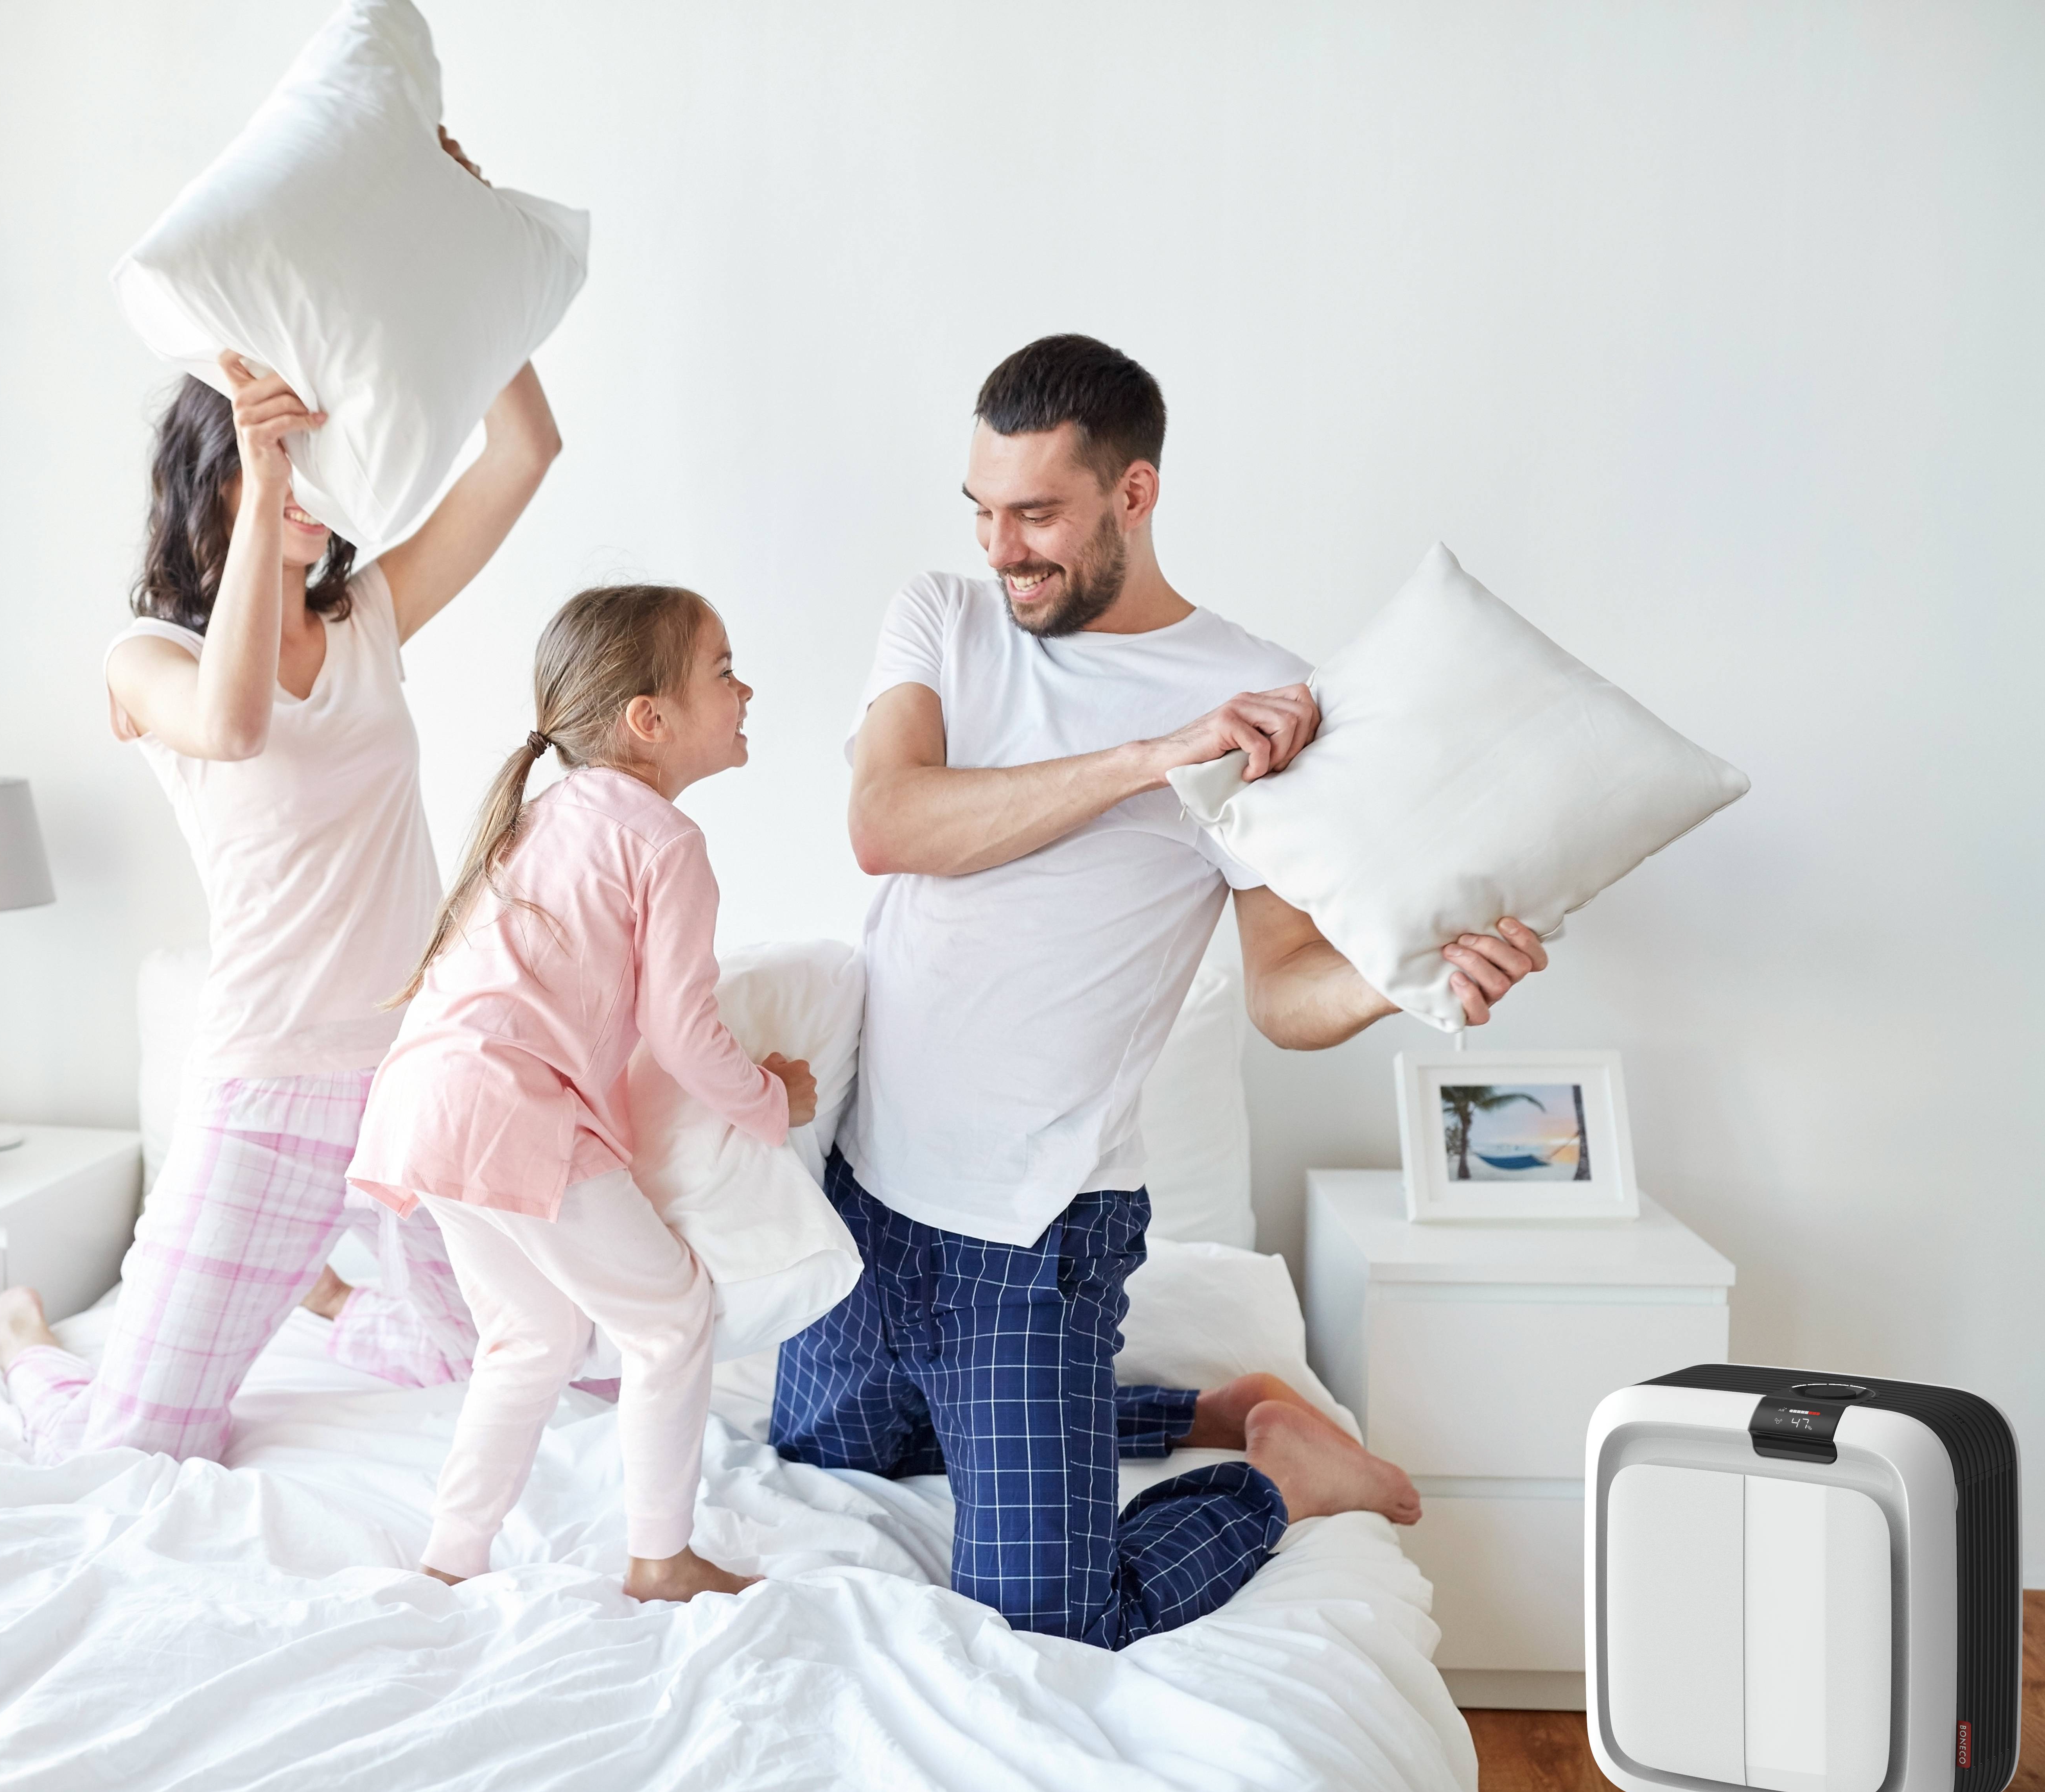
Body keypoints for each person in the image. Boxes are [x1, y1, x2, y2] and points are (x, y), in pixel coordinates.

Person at [773, 333, 1550, 1650]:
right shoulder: (943, 617)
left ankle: (1279, 1475)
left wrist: (1409, 979)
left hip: (1031, 1236)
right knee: (823, 1442)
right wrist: (1149, 761)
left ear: (1132, 495)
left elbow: (1283, 996)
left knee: (1051, 1617)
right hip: (869, 1183)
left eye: (1037, 514)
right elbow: (887, 823)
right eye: (982, 510)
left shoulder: (1253, 700)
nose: (1002, 548)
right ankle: (1202, 1406)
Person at [0, 131, 562, 1463]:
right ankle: (20, 1346)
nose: (308, 483)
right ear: (218, 471)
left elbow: (527, 448)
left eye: (317, 455)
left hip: (414, 1071)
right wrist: (266, 470)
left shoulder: (368, 618)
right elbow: (234, 726)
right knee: (134, 1449)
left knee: (505, 1361)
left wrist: (464, 228)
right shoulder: (143, 661)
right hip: (270, 1086)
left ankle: (327, 1290)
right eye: (276, 455)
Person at [348, 585, 815, 1604]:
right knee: (671, 1318)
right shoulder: (662, 840)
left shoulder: (542, 819)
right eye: (724, 671)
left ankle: (450, 1557)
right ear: (649, 719)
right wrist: (770, 1101)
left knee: (533, 1337)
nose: (745, 690)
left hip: (424, 1103)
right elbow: (683, 1033)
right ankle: (659, 1559)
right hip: (510, 1110)